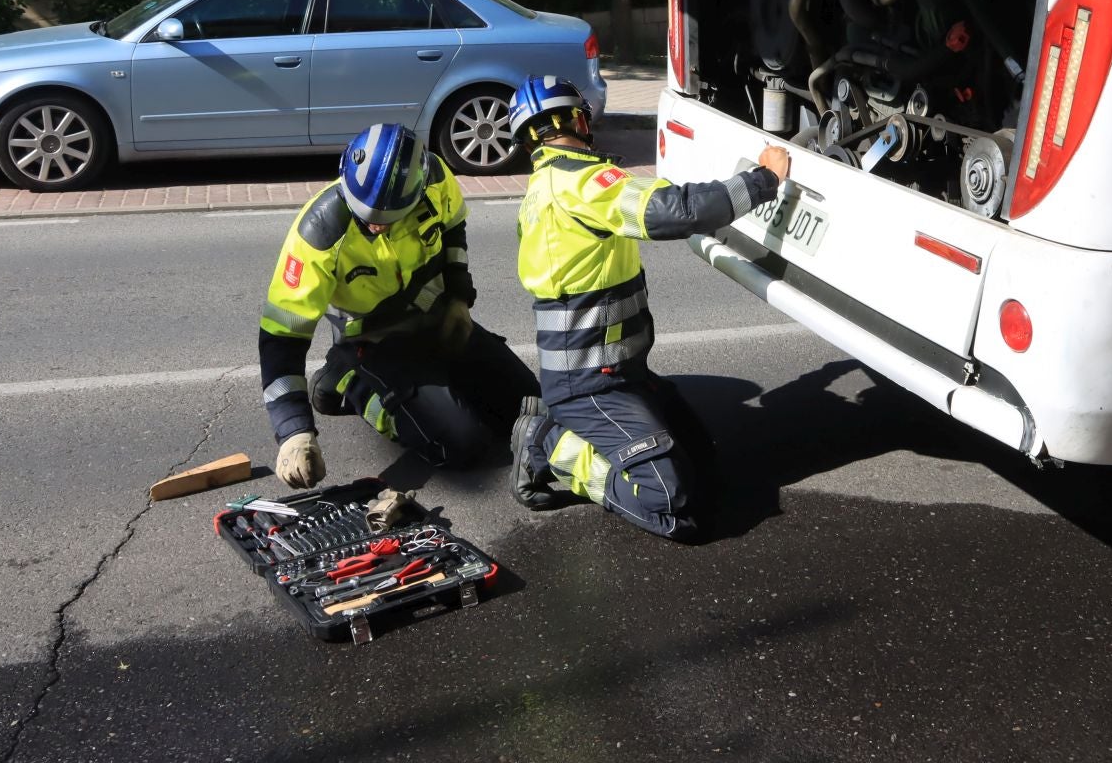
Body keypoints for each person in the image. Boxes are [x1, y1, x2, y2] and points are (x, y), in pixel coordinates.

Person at [506, 75, 790, 541]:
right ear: (578, 119)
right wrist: (763, 180)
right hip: (590, 385)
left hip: (620, 375)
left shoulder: (545, 186)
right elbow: (672, 211)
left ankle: (560, 425)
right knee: (670, 501)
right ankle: (548, 445)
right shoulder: (581, 183)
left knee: (705, 461)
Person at [258, 122, 537, 487]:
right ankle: (344, 380)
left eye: (385, 220)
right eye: (365, 217)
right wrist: (293, 430)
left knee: (531, 404)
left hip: (435, 320)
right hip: (371, 344)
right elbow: (282, 339)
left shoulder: (435, 178)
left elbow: (454, 232)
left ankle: (435, 382)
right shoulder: (320, 233)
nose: (375, 227)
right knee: (462, 447)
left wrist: (457, 300)